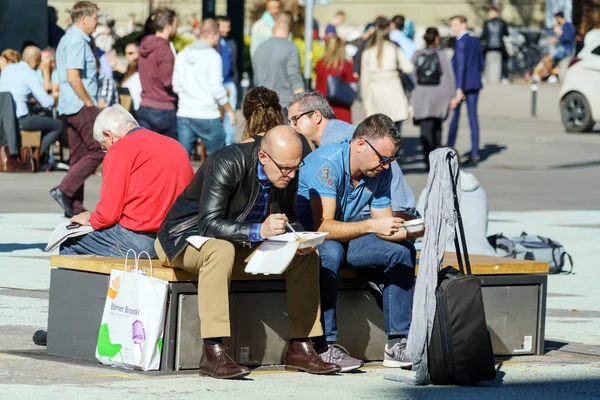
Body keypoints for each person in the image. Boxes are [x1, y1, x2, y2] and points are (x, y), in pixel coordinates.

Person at [155, 126, 341, 379]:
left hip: (240, 245)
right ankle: (212, 352)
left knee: (306, 256)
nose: (290, 174)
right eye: (286, 168)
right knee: (219, 250)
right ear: (263, 157)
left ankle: (301, 346)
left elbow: (291, 216)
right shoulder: (226, 162)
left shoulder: (286, 167)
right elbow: (209, 224)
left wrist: (299, 238)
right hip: (183, 240)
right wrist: (258, 230)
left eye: (296, 168)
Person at [297, 113, 414, 372]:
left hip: (349, 236)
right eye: (383, 158)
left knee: (401, 251)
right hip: (312, 239)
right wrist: (372, 226)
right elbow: (323, 226)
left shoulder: (379, 172)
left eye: (391, 159)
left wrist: (419, 230)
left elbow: (385, 226)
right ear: (361, 145)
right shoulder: (326, 164)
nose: (386, 165)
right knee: (330, 251)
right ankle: (324, 345)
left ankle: (398, 342)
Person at [60, 105, 193, 257]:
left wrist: (89, 218)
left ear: (109, 135)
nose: (106, 152)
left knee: (69, 240)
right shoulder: (175, 145)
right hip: (177, 238)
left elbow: (108, 215)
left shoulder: (120, 149)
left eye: (104, 147)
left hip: (143, 239)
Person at [288, 91, 419, 220]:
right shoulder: (344, 131)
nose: (292, 127)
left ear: (316, 116)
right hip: (399, 211)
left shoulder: (335, 143)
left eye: (294, 120)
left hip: (388, 214)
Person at [51, 1, 104, 218]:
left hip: (70, 105)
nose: (97, 22)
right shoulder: (76, 41)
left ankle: (74, 205)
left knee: (79, 154)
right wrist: (89, 102)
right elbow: (73, 76)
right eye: (95, 18)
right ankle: (64, 189)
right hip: (80, 105)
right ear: (84, 18)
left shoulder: (68, 38)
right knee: (99, 149)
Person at [173, 19, 236, 157]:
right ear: (214, 35)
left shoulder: (182, 55)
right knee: (219, 160)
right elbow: (217, 90)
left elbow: (176, 85)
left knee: (182, 159)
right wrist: (230, 111)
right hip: (208, 114)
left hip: (185, 113)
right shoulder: (213, 57)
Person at [0, 45, 63, 170]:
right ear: (35, 61)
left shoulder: (8, 69)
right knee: (57, 125)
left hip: (3, 118)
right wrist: (54, 99)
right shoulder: (29, 73)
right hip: (21, 120)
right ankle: (35, 159)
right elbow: (46, 103)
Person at [411, 28, 456, 171]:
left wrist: (410, 94)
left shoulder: (417, 54)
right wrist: (452, 95)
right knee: (437, 128)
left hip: (421, 95)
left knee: (425, 129)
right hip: (439, 95)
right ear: (436, 38)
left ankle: (427, 160)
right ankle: (436, 159)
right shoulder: (441, 55)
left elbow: (411, 75)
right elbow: (449, 75)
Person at [360, 16, 414, 134]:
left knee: (379, 133)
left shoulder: (368, 52)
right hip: (394, 92)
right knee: (395, 132)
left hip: (375, 94)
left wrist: (365, 101)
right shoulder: (394, 48)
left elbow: (364, 80)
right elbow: (409, 68)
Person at [446, 15, 484, 167]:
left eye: (455, 25)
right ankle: (475, 153)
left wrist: (459, 88)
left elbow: (460, 66)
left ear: (464, 25)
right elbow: (481, 62)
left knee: (455, 118)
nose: (453, 29)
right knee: (473, 118)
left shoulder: (460, 41)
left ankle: (448, 149)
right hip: (474, 84)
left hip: (461, 86)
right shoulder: (475, 40)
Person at [137, 8, 178, 139]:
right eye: (175, 25)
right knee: (170, 155)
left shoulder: (144, 46)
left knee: (146, 153)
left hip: (144, 105)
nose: (176, 29)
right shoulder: (165, 50)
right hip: (163, 109)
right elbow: (167, 81)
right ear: (168, 26)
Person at [253, 11, 305, 115]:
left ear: (274, 24)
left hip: (262, 106)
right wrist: (303, 109)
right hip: (283, 106)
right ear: (291, 28)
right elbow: (295, 79)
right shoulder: (291, 48)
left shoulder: (259, 48)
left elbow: (256, 80)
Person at [315, 35, 357, 124]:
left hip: (323, 107)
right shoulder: (345, 65)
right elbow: (352, 83)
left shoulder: (320, 64)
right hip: (342, 108)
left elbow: (318, 86)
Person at [533, 11, 576, 83]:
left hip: (565, 49)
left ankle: (551, 76)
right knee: (547, 60)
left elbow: (568, 38)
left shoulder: (567, 26)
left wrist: (558, 39)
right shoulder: (566, 26)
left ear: (559, 18)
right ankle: (544, 76)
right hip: (564, 49)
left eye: (556, 19)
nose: (556, 21)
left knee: (546, 59)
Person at [217, 15, 239, 146]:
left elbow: (234, 63)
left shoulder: (231, 42)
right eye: (223, 26)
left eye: (228, 26)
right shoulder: (214, 43)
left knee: (230, 116)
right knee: (217, 115)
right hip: (218, 84)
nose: (226, 29)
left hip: (230, 82)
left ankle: (228, 143)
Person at [481, 6, 509, 84]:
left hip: (488, 47)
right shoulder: (502, 22)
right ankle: (504, 77)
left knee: (483, 59)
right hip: (500, 46)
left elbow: (483, 35)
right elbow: (506, 33)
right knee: (504, 60)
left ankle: (483, 76)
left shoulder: (486, 23)